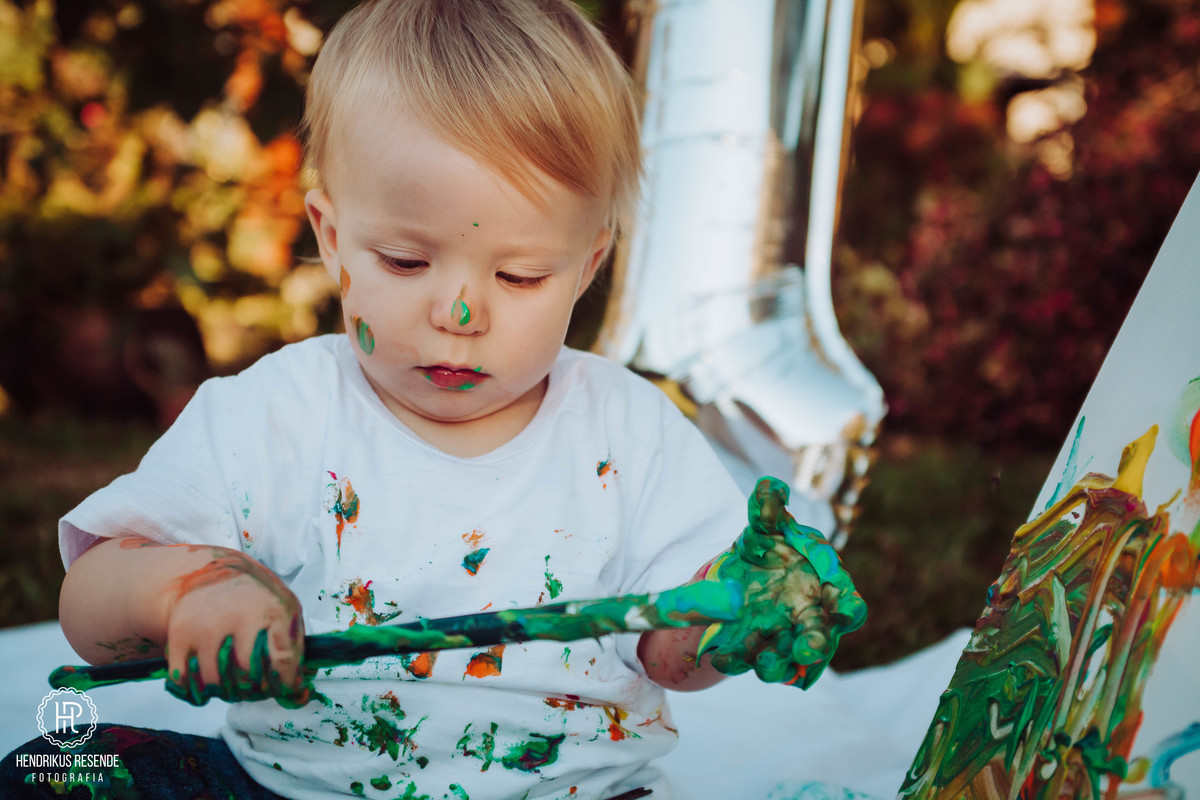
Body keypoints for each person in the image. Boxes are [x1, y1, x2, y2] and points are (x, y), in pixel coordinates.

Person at [1, 1, 864, 798]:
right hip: (294, 786)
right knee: (54, 769)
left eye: (521, 275)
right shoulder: (271, 415)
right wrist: (188, 592)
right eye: (406, 263)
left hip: (574, 791)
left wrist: (734, 614)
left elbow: (671, 656)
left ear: (588, 266)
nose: (460, 315)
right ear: (333, 239)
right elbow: (90, 606)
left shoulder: (627, 430)